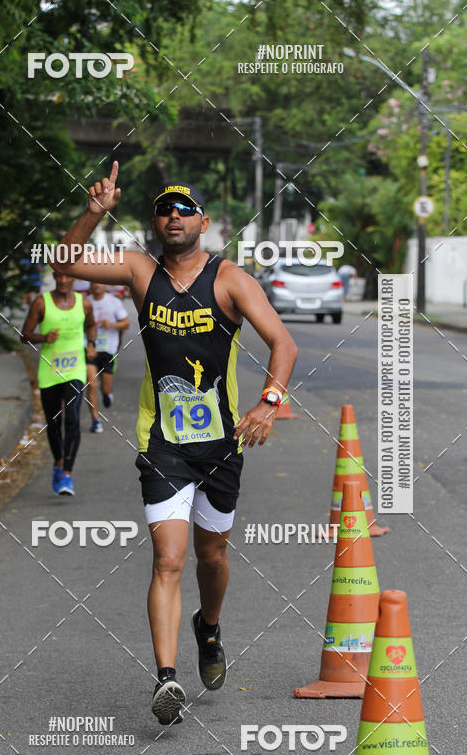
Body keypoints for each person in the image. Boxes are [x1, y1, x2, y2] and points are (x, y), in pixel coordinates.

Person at [50, 162, 298, 724]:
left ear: (204, 222)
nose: (174, 216)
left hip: (221, 445)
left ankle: (208, 628)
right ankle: (167, 680)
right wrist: (93, 212)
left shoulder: (230, 278)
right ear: (155, 222)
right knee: (169, 558)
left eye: (185, 209)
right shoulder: (140, 271)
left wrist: (270, 402)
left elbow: (283, 343)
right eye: (165, 209)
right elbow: (64, 264)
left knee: (212, 555)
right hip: (161, 443)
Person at [21, 271, 96, 496]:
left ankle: (67, 475)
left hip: (75, 370)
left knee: (72, 417)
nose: (63, 281)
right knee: (54, 423)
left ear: (73, 278)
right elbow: (24, 335)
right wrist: (44, 338)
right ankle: (59, 462)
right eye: (59, 277)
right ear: (54, 276)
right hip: (50, 371)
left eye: (67, 277)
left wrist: (91, 342)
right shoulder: (41, 303)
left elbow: (91, 325)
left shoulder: (84, 303)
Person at [85, 282, 130, 433]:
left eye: (100, 283)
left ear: (106, 285)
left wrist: (111, 324)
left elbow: (126, 324)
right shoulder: (84, 302)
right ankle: (95, 420)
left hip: (108, 349)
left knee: (105, 387)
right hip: (89, 348)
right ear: (90, 286)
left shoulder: (114, 302)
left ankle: (107, 393)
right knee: (91, 384)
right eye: (93, 283)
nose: (97, 286)